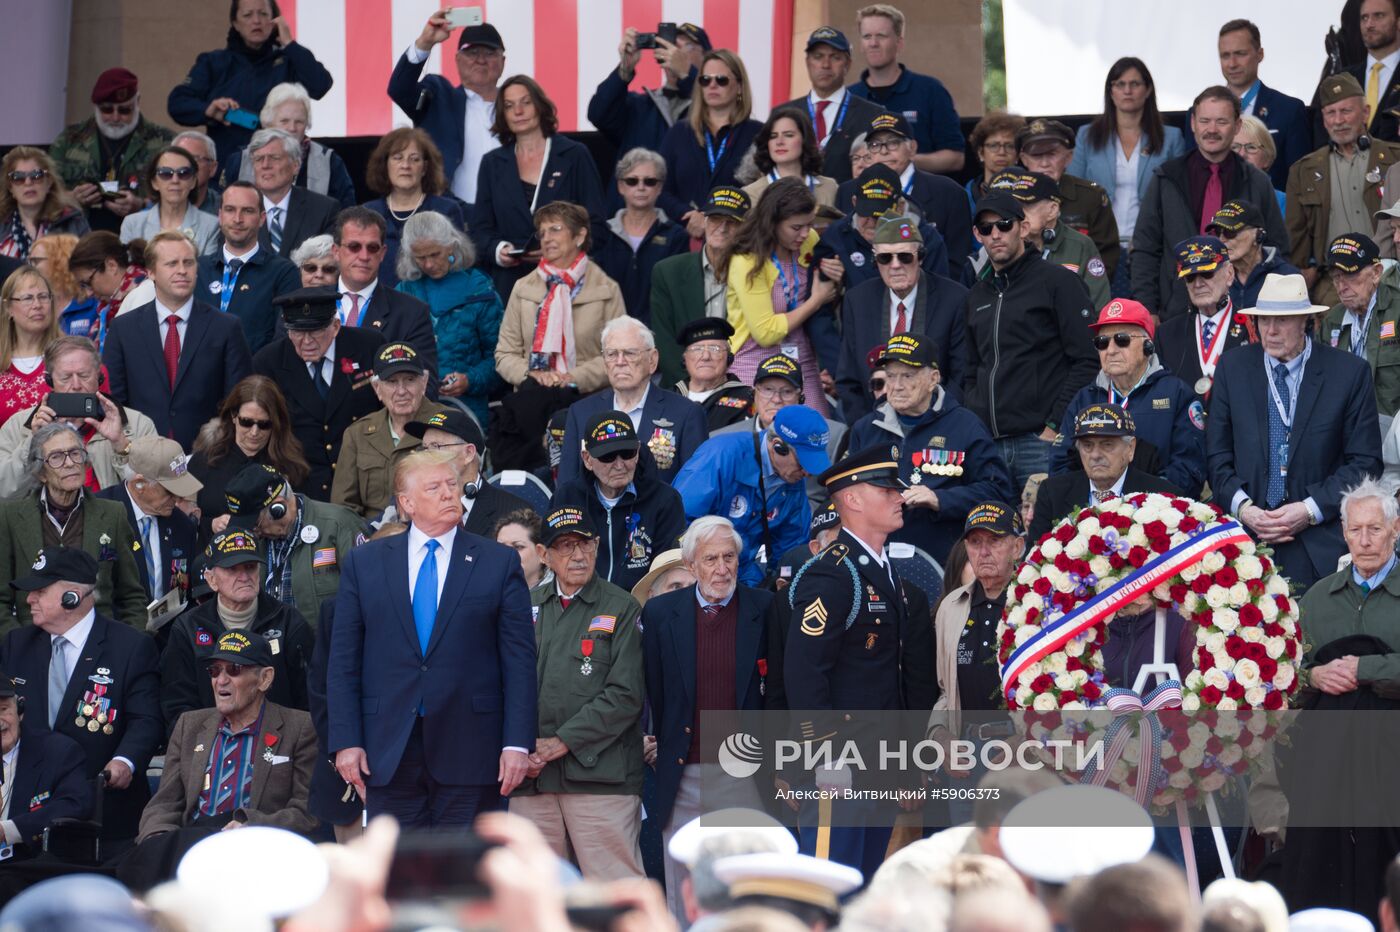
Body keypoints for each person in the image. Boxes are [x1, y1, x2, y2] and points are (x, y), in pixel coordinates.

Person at [329, 449, 537, 827]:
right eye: (434, 487)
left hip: (473, 748)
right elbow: (344, 661)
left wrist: (516, 743)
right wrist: (346, 740)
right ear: (406, 503)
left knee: (465, 877)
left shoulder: (498, 561)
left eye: (452, 485)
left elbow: (519, 662)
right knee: (398, 877)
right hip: (387, 748)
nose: (448, 494)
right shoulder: (365, 563)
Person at [642, 516, 788, 918]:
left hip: (744, 771)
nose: (722, 568)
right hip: (683, 769)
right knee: (683, 889)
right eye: (710, 559)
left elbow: (776, 692)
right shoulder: (659, 614)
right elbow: (653, 689)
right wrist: (655, 737)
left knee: (745, 888)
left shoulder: (766, 607)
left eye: (729, 557)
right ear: (691, 566)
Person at [1207, 272, 1383, 588]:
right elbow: (1217, 457)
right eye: (1264, 320)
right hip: (1244, 540)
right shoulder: (1233, 368)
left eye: (1283, 320)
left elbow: (1365, 463)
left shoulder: (1348, 373)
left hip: (1319, 542)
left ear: (1306, 322)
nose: (1271, 330)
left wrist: (1308, 510)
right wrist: (1245, 509)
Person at [785, 444, 914, 875]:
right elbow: (804, 673)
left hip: (877, 759)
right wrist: (825, 756)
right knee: (827, 885)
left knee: (862, 884)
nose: (900, 496)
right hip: (838, 766)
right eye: (886, 489)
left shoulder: (884, 568)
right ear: (853, 499)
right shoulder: (833, 572)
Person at [511, 506, 645, 879]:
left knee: (615, 896)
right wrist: (521, 746)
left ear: (598, 545)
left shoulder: (621, 606)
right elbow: (501, 687)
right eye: (566, 546)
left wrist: (561, 742)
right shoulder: (524, 608)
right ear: (544, 555)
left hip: (600, 779)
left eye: (585, 544)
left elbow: (625, 696)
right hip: (532, 780)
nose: (578, 555)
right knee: (538, 899)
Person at [1288, 476, 1400, 920]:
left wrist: (1364, 669)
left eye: (1375, 529)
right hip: (1327, 762)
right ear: (1343, 531)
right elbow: (1284, 672)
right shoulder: (1317, 598)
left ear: (1396, 529)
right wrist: (1313, 675)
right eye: (1356, 530)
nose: (1365, 540)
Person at [1, 546, 162, 847]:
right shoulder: (16, 645)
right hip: (25, 818)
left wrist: (125, 761)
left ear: (72, 596)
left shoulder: (129, 647)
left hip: (103, 814)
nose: (28, 599)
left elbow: (146, 719)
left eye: (39, 590)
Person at [129, 630, 317, 886]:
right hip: (191, 847)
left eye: (234, 669)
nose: (221, 680)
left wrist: (250, 827)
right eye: (214, 671)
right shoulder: (189, 725)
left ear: (264, 678)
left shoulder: (299, 727)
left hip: (255, 854)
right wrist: (159, 843)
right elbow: (164, 804)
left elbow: (307, 812)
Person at [963, 193, 1098, 494]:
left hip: (1039, 443)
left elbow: (1087, 359)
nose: (995, 234)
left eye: (1004, 224)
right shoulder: (976, 295)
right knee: (992, 538)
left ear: (1023, 228)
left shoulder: (1058, 282)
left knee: (1046, 536)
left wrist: (1054, 426)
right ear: (977, 235)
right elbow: (971, 370)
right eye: (985, 228)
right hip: (988, 446)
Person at [846, 333, 1012, 565]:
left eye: (907, 375)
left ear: (933, 379)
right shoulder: (865, 429)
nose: (896, 386)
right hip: (877, 561)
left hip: (945, 561)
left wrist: (940, 499)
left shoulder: (965, 426)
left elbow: (998, 493)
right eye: (891, 376)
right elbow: (846, 495)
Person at [1132, 85, 1288, 318]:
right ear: (1193, 123)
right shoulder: (1166, 178)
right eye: (1205, 121)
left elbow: (1277, 249)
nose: (1212, 130)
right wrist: (1147, 310)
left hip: (1242, 313)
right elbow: (1145, 249)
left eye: (1221, 122)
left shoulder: (1257, 182)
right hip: (1177, 313)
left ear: (1237, 126)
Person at [493, 201, 626, 472]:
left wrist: (572, 377)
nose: (547, 238)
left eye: (555, 229)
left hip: (587, 401)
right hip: (531, 405)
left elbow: (618, 355)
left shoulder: (606, 288)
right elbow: (504, 354)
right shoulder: (523, 287)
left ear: (580, 236)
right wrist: (532, 373)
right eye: (542, 233)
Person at [103, 232, 253, 451]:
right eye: (172, 263)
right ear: (151, 272)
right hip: (141, 456)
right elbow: (114, 400)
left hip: (208, 458)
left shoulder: (226, 327)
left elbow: (238, 399)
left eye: (188, 263)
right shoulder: (123, 329)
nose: (182, 270)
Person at [0, 422, 148, 630]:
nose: (69, 463)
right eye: (57, 457)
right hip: (33, 643)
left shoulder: (113, 514)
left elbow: (131, 596)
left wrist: (124, 649)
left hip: (98, 646)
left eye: (75, 453)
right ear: (41, 473)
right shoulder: (10, 517)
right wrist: (19, 648)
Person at [1050, 298, 1206, 495]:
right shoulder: (1084, 398)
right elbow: (1060, 464)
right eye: (1102, 342)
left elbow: (1189, 468)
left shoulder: (1177, 395)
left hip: (1156, 513)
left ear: (1148, 347)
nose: (1111, 350)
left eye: (1122, 340)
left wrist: (1138, 503)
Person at [159, 532, 312, 730]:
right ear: (211, 579)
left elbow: (309, 700)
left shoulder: (289, 621)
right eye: (232, 569)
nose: (244, 577)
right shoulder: (187, 628)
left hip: (279, 745)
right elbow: (177, 705)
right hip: (209, 748)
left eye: (250, 567)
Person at [473, 75, 607, 297]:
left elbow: (597, 225)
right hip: (512, 288)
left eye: (525, 102)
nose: (518, 111)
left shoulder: (575, 155)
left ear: (539, 105)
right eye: (509, 105)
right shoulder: (492, 164)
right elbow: (479, 231)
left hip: (569, 283)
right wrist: (499, 251)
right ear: (502, 115)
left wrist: (562, 247)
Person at [167, 0, 333, 171]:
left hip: (278, 170)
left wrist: (290, 44)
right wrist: (208, 110)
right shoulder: (214, 63)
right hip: (228, 168)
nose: (256, 21)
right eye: (248, 15)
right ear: (235, 23)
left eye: (263, 14)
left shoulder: (288, 61)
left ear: (274, 20)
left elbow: (321, 85)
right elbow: (178, 104)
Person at [675, 405, 831, 587]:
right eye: (802, 462)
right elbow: (679, 521)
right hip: (698, 571)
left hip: (745, 572)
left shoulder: (792, 480)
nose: (807, 473)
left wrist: (786, 584)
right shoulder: (722, 456)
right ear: (777, 446)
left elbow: (792, 547)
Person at [253, 286, 385, 501]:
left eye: (315, 331)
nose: (306, 341)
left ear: (335, 326)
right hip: (303, 489)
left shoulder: (369, 346)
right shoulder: (268, 363)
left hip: (364, 482)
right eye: (297, 332)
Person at [1069, 57, 1187, 292]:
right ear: (1110, 91)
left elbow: (1177, 199)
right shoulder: (1087, 135)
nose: (1127, 90)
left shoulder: (1171, 137)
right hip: (1098, 244)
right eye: (1120, 84)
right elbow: (1075, 193)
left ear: (1148, 89)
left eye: (1135, 84)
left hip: (1149, 246)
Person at [725, 178, 842, 414]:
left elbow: (828, 294)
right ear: (773, 223)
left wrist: (836, 278)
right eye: (796, 227)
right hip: (753, 360)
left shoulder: (810, 242)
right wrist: (815, 301)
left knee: (816, 433)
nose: (805, 233)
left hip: (801, 358)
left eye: (809, 224)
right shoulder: (746, 260)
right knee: (760, 439)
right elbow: (765, 332)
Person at [926, 503, 1024, 785]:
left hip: (1023, 750)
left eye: (995, 541)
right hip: (965, 752)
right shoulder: (951, 606)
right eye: (975, 542)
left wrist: (1030, 739)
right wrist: (939, 735)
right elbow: (945, 691)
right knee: (965, 831)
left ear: (1016, 547)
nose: (983, 552)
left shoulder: (1038, 602)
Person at [1287, 73, 1400, 307]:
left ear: (1366, 113)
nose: (1338, 120)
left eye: (1346, 111)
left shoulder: (1394, 158)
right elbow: (1295, 237)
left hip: (1386, 275)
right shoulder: (1303, 170)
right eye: (1331, 112)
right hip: (1332, 284)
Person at [557, 317, 709, 486]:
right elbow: (567, 487)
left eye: (629, 353)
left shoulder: (685, 414)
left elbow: (695, 488)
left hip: (660, 511)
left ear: (652, 360)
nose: (620, 362)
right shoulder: (581, 413)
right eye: (612, 354)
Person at [0, 335, 157, 498]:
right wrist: (33, 442)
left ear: (99, 376)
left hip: (114, 521)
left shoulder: (137, 423)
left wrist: (121, 444)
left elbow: (155, 494)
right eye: (66, 377)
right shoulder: (18, 426)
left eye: (84, 375)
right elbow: (3, 491)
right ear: (49, 380)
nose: (76, 386)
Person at [549, 411, 687, 593]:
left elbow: (667, 568)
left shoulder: (665, 499)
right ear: (587, 459)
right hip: (580, 602)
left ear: (637, 453)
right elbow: (553, 561)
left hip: (640, 605)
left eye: (627, 454)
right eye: (608, 456)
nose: (620, 464)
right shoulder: (566, 497)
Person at [223, 462, 365, 629]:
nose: (255, 532)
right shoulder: (256, 539)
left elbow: (368, 594)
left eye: (256, 523)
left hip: (326, 648)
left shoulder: (339, 525)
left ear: (279, 508)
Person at [834, 112, 974, 275]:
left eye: (893, 143)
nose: (884, 151)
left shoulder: (949, 193)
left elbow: (957, 264)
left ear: (912, 148)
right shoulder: (847, 191)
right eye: (875, 145)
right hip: (863, 294)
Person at [388, 15, 506, 209]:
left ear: (503, 61)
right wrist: (425, 42)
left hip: (509, 218)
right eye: (472, 52)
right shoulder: (440, 97)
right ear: (457, 59)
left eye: (489, 53)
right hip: (451, 218)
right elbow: (399, 90)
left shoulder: (518, 106)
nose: (480, 60)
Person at [1028, 404, 1182, 542]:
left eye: (1107, 445)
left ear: (1130, 449)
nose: (1095, 455)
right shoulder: (1053, 493)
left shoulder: (1162, 495)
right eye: (1087, 446)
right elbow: (1034, 560)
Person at [48, 68, 172, 235]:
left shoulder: (163, 141)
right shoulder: (70, 140)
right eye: (107, 110)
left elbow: (181, 192)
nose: (115, 118)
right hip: (79, 235)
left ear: (138, 102)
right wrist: (70, 198)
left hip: (142, 237)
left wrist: (141, 204)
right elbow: (44, 191)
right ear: (95, 107)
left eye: (124, 110)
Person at [713, 353, 848, 506]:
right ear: (754, 394)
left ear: (801, 399)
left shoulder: (833, 435)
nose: (776, 399)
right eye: (768, 389)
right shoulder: (720, 440)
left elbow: (840, 501)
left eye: (787, 392)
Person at [588, 25, 706, 199]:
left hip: (688, 215)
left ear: (707, 58)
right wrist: (625, 69)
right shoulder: (641, 106)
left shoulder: (712, 107)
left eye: (687, 47)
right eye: (671, 45)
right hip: (635, 215)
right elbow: (598, 113)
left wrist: (689, 76)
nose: (675, 52)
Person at [658, 49, 765, 240]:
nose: (712, 85)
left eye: (721, 80)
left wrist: (722, 220)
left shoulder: (759, 134)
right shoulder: (679, 132)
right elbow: (660, 188)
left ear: (739, 86)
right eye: (705, 80)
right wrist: (688, 215)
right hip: (685, 238)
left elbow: (765, 190)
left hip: (739, 239)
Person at [187, 374, 308, 542]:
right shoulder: (203, 462)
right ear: (233, 416)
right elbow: (182, 518)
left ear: (276, 423)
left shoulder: (290, 465)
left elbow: (304, 521)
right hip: (212, 560)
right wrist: (211, 524)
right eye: (247, 422)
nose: (254, 432)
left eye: (264, 424)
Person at [323, 207, 439, 381]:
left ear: (383, 253)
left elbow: (424, 384)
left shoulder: (411, 313)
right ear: (336, 251)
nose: (364, 256)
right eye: (354, 246)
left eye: (372, 248)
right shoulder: (306, 304)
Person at [847, 3, 964, 173]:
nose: (873, 43)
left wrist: (902, 159)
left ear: (899, 43)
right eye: (867, 36)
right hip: (865, 196)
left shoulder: (931, 91)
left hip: (920, 196)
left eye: (881, 36)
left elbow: (955, 158)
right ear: (860, 44)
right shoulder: (849, 98)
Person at [651, 185, 750, 386]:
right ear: (704, 221)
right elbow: (665, 342)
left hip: (738, 382)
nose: (721, 228)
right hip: (683, 387)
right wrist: (691, 386)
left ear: (744, 228)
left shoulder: (756, 272)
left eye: (731, 222)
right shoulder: (668, 271)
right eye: (715, 220)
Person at [332, 342, 443, 519]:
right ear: (377, 388)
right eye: (391, 382)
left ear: (424, 383)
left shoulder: (447, 425)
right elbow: (344, 508)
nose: (401, 391)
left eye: (410, 380)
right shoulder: (358, 434)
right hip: (373, 537)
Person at [195, 180, 302, 353]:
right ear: (220, 216)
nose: (238, 219)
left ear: (262, 219)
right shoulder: (198, 269)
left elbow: (285, 335)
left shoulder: (283, 272)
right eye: (230, 210)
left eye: (247, 211)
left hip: (254, 375)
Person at [986, 168, 1110, 312]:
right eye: (1014, 206)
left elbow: (1099, 304)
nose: (1018, 212)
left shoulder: (1080, 245)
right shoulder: (1005, 241)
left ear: (1052, 210)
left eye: (1026, 206)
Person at [95, 436, 201, 603]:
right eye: (170, 490)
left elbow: (180, 590)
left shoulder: (182, 526)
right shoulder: (98, 515)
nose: (178, 497)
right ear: (140, 484)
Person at [218, 81, 356, 209]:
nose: (292, 128)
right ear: (267, 122)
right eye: (284, 121)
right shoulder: (240, 160)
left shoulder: (329, 161)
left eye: (299, 122)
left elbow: (346, 211)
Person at [780, 27, 890, 185]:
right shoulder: (783, 115)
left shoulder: (874, 115)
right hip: (794, 206)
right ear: (807, 62)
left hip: (851, 205)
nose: (825, 65)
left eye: (835, 57)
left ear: (848, 64)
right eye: (818, 57)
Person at [817, 163, 951, 293]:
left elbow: (939, 296)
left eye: (879, 217)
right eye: (864, 213)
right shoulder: (835, 237)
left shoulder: (928, 240)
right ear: (854, 202)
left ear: (900, 207)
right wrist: (835, 283)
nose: (871, 222)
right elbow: (820, 306)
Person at [1155, 235, 1259, 403]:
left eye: (1207, 273)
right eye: (1190, 277)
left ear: (1229, 274)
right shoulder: (1166, 334)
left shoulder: (1254, 326)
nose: (1198, 284)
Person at [1017, 119, 1123, 282]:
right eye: (1036, 155)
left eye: (1052, 154)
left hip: (1079, 293)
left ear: (1068, 157)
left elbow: (1105, 259)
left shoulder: (1091, 197)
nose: (1044, 163)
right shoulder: (1011, 197)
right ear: (1024, 159)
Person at [0, 670, 93, 857]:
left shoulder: (59, 752)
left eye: (3, 710)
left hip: (25, 866)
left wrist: (8, 830)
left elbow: (75, 804)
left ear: (20, 711)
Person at [362, 128, 467, 290]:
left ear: (424, 168)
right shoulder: (367, 213)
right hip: (378, 305)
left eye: (414, 159)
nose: (406, 165)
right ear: (385, 165)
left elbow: (459, 263)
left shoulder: (446, 210)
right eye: (398, 158)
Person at [1212, 20, 1311, 189]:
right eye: (1225, 55)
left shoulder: (1289, 110)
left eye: (1240, 53)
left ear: (1260, 54)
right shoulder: (1202, 114)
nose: (1232, 63)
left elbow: (1301, 181)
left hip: (1272, 211)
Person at [595, 148, 690, 323]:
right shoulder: (602, 233)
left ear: (660, 187)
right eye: (632, 181)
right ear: (620, 186)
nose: (641, 187)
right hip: (607, 333)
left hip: (657, 335)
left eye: (650, 181)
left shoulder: (677, 236)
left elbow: (678, 295)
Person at [405, 408, 533, 537]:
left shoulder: (513, 512)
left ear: (468, 453)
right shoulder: (414, 506)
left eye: (436, 446)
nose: (426, 457)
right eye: (424, 448)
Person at [1325, 233, 1400, 420]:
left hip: (1391, 427)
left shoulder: (1397, 310)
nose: (1341, 286)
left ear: (1376, 273)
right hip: (1345, 426)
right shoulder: (1332, 319)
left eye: (1350, 275)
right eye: (1336, 277)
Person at [248, 128, 340, 260]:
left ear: (296, 165)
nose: (265, 165)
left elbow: (327, 265)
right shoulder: (238, 209)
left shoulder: (324, 209)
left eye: (274, 158)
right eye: (259, 159)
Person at [118, 146, 221, 256]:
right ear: (154, 182)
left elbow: (207, 271)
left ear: (193, 182)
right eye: (166, 173)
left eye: (183, 173)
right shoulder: (132, 224)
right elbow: (125, 270)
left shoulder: (211, 226)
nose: (175, 180)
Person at [742, 108, 840, 212]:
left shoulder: (830, 187)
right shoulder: (750, 193)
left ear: (805, 139)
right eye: (773, 136)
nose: (779, 142)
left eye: (788, 135)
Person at [0, 147, 89, 261]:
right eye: (18, 177)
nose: (28, 182)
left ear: (49, 182)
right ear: (10, 187)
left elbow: (89, 267)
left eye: (36, 175)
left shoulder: (73, 222)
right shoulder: (2, 224)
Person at [0, 265, 61, 426]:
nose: (37, 305)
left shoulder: (73, 357)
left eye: (43, 296)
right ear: (8, 308)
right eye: (27, 298)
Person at [1210, 199, 1299, 310]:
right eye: (1218, 233)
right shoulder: (1212, 276)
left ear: (1258, 235)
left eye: (1230, 232)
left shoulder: (1287, 276)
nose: (1221, 239)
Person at [66, 232, 148, 352]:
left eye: (88, 283)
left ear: (111, 266)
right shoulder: (109, 307)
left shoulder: (144, 295)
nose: (88, 293)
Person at [674, 317, 754, 431]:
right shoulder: (667, 397)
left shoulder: (747, 399)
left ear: (729, 358)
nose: (706, 356)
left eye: (715, 349)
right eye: (697, 349)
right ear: (684, 359)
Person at [1345, 0, 1400, 143]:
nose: (1369, 24)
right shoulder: (1342, 78)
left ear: (1398, 21)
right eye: (1364, 17)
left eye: (1379, 15)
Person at [30, 235, 92, 336]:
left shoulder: (94, 305)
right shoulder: (29, 306)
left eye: (36, 261)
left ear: (61, 261)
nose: (30, 267)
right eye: (30, 261)